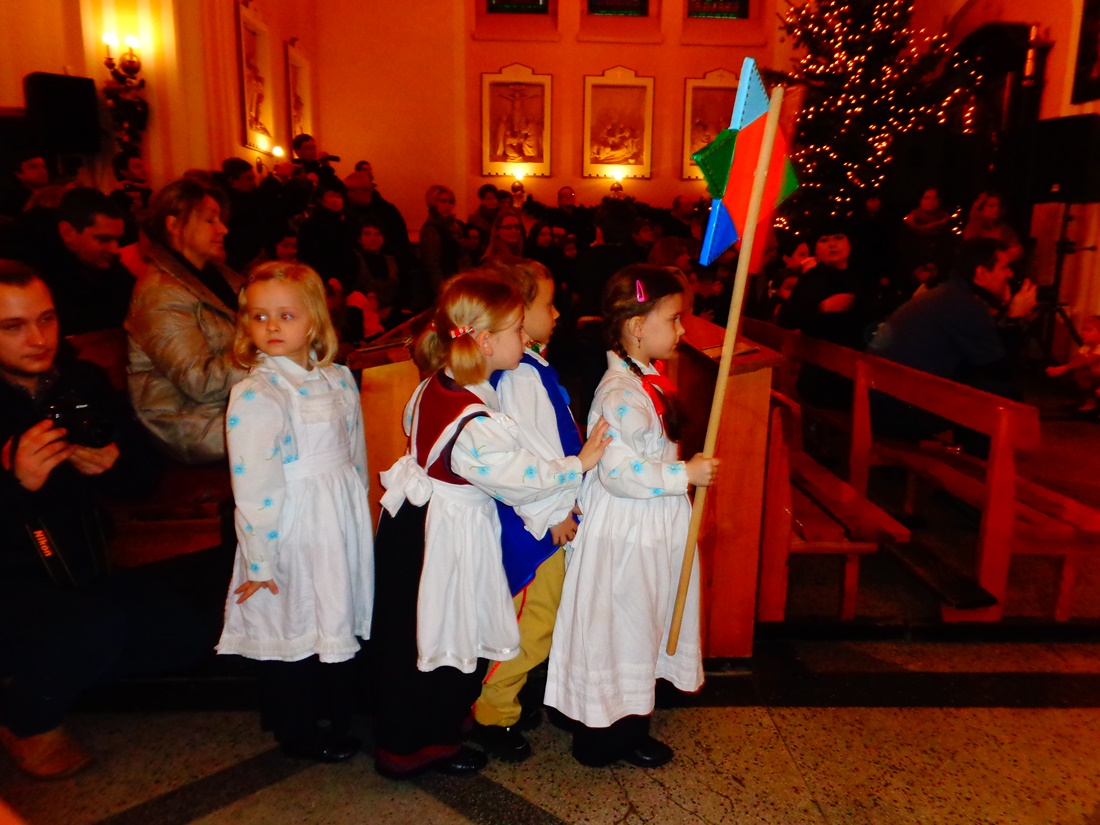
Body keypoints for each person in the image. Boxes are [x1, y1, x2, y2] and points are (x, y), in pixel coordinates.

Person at [370, 271, 611, 779]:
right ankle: (417, 743)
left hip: (421, 519)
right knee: (440, 627)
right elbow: (519, 478)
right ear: (484, 341)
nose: (525, 338)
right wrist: (580, 463)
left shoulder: (441, 384)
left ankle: (438, 720)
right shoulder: (473, 419)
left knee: (428, 627)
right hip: (442, 531)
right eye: (517, 329)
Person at [0, 261, 213, 779]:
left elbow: (142, 482)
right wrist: (14, 484)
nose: (39, 339)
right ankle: (25, 720)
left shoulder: (81, 381)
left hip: (84, 567)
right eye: (13, 327)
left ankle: (49, 670)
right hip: (11, 581)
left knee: (187, 633)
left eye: (47, 319)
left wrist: (114, 463)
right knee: (94, 629)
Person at [545, 265, 719, 768]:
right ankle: (605, 736)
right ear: (638, 326)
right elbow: (619, 471)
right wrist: (683, 473)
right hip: (628, 530)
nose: (682, 329)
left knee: (641, 622)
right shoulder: (620, 393)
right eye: (674, 318)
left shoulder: (644, 379)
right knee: (622, 625)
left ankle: (627, 720)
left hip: (647, 523)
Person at [217, 261, 373, 762]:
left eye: (285, 315)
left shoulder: (339, 379)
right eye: (259, 316)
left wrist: (361, 510)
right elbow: (253, 481)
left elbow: (355, 450)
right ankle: (299, 728)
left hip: (336, 517)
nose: (271, 327)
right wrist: (260, 557)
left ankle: (338, 709)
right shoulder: (258, 392)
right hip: (291, 522)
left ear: (313, 322)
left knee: (333, 607)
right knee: (296, 614)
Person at [471, 260, 577, 763]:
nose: (556, 314)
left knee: (536, 618)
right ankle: (492, 711)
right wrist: (555, 514)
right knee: (531, 621)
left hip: (540, 515)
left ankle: (507, 697)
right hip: (534, 525)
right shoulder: (520, 376)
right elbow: (530, 455)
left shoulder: (529, 365)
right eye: (547, 305)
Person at [868, 238, 1038, 443]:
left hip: (881, 401)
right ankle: (979, 461)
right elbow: (1000, 370)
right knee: (999, 394)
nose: (1010, 274)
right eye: (1005, 267)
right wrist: (1014, 319)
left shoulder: (950, 294)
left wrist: (1005, 314)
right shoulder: (964, 305)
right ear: (981, 273)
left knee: (980, 385)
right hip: (894, 412)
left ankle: (973, 457)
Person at [127, 179, 248, 463]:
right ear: (174, 224)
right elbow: (199, 381)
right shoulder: (160, 293)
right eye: (210, 220)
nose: (223, 229)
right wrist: (266, 353)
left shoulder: (217, 275)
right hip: (187, 421)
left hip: (232, 405)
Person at [17, 187, 133, 335]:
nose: (115, 250)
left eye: (118, 240)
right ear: (68, 233)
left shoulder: (109, 268)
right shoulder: (31, 274)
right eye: (104, 239)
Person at [1045, 315, 1100, 414]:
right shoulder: (1087, 346)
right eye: (1083, 330)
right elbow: (1078, 359)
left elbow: (1092, 359)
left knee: (1082, 374)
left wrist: (1064, 368)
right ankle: (1082, 399)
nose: (1083, 333)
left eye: (1088, 330)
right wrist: (1063, 368)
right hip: (1095, 377)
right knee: (1074, 373)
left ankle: (1091, 402)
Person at [418, 184, 462, 297]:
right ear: (434, 203)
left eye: (451, 202)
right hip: (444, 284)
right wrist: (441, 290)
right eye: (443, 201)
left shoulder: (455, 226)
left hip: (456, 280)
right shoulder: (431, 229)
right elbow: (432, 265)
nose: (448, 205)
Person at [108, 148, 152, 247]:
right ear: (124, 172)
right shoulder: (118, 196)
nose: (144, 170)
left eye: (142, 166)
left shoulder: (147, 192)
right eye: (137, 167)